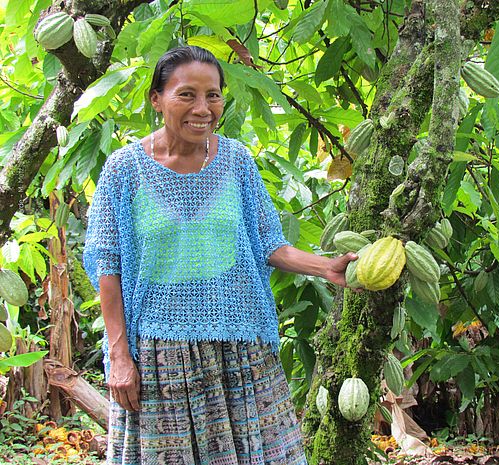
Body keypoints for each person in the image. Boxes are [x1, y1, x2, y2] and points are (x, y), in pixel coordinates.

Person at [83, 45, 356, 464]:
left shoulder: (236, 161)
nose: (203, 108)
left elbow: (269, 243)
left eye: (213, 95)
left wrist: (328, 268)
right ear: (156, 99)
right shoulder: (125, 169)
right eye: (186, 94)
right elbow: (107, 265)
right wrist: (119, 355)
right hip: (160, 352)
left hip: (237, 344)